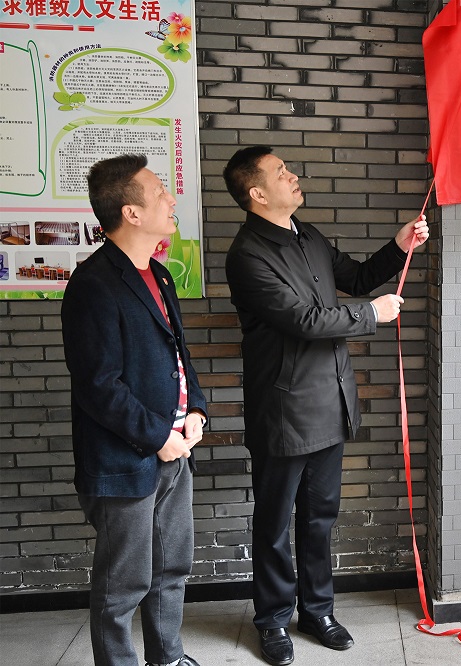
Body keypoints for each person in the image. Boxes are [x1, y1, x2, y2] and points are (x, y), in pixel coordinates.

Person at [223, 146, 429, 666]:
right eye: (281, 172)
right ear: (257, 193)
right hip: (284, 411)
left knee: (319, 518)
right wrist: (371, 315)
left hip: (330, 403)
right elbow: (304, 321)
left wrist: (399, 246)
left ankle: (317, 611)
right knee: (274, 524)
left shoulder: (307, 235)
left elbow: (355, 278)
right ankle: (272, 619)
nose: (293, 176)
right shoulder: (248, 255)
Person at [62, 154, 207, 666]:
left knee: (171, 570)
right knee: (122, 585)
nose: (171, 198)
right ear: (131, 212)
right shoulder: (93, 284)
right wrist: (158, 437)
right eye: (160, 192)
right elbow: (98, 385)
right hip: (126, 459)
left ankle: (167, 657)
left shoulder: (159, 274)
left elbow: (178, 354)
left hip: (175, 449)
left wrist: (196, 410)